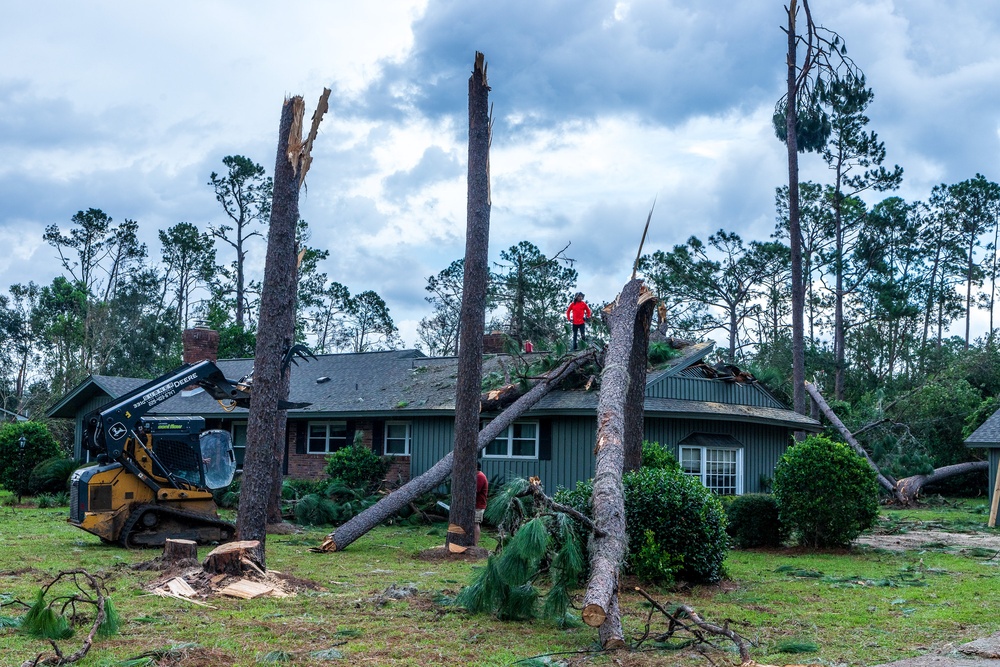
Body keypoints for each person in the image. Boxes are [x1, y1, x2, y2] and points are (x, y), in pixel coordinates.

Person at [475, 460, 488, 545]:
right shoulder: (477, 475)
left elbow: (475, 490)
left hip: (478, 505)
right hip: (475, 505)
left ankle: (475, 544)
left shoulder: (479, 476)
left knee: (475, 524)